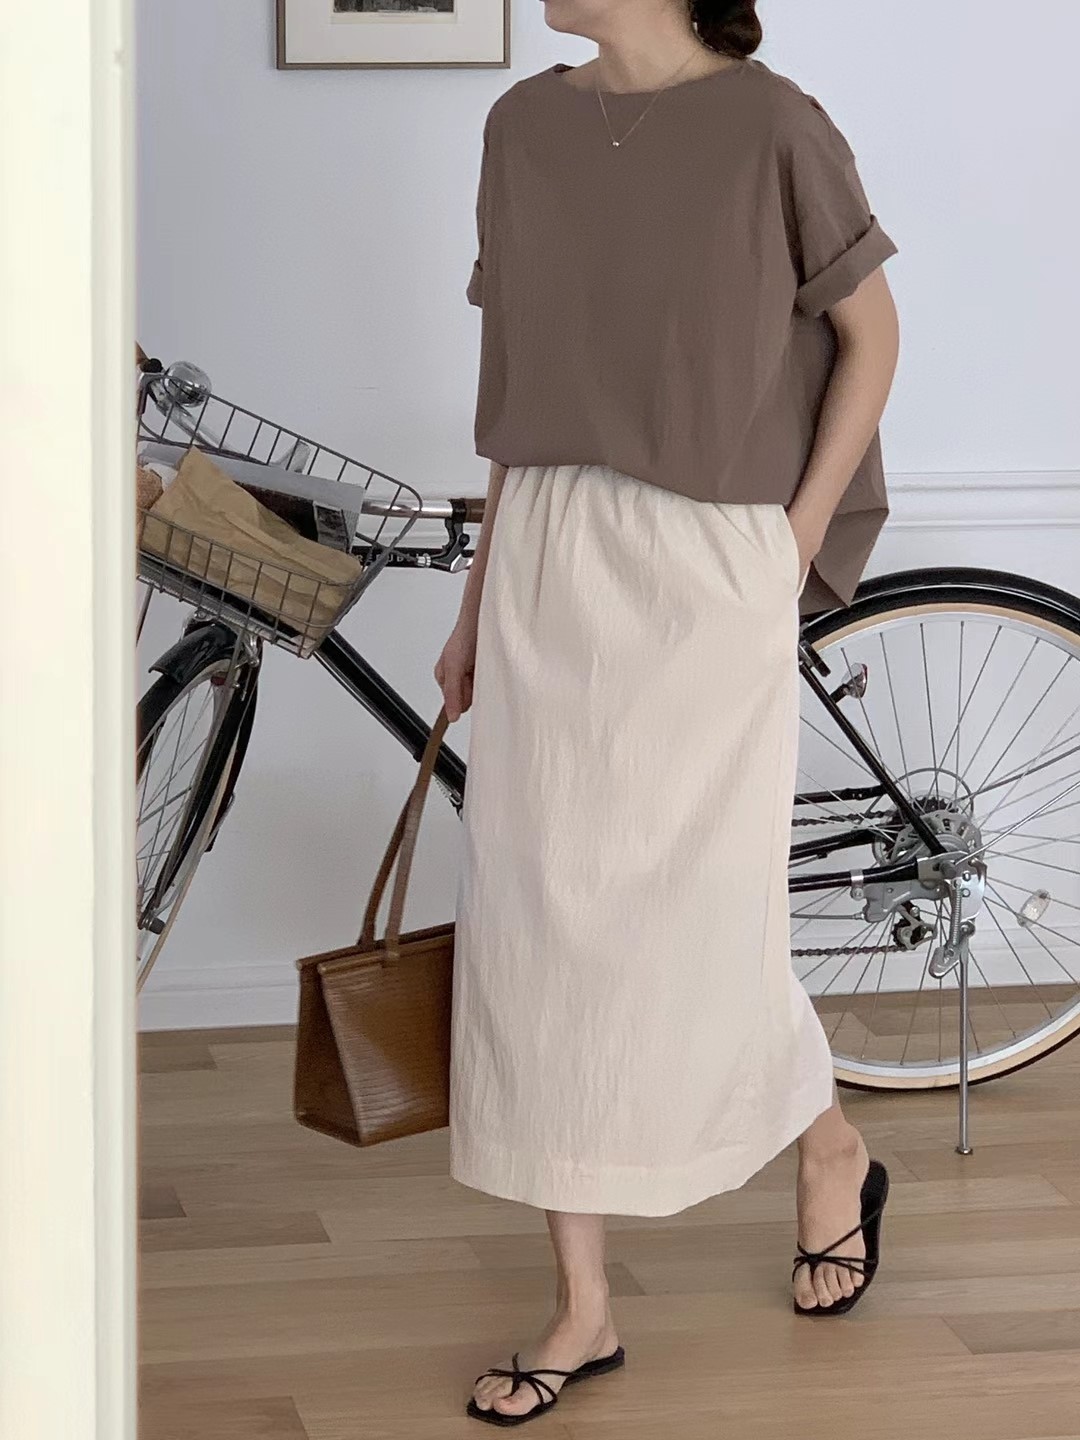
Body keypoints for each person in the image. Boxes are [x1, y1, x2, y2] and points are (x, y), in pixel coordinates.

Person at [434, 0, 900, 1424]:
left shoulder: (775, 127)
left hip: (709, 559)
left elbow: (872, 338)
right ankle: (584, 1307)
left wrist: (789, 550)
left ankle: (826, 1146)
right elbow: (521, 395)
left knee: (700, 916)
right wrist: (475, 605)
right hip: (549, 549)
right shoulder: (521, 128)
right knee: (536, 924)